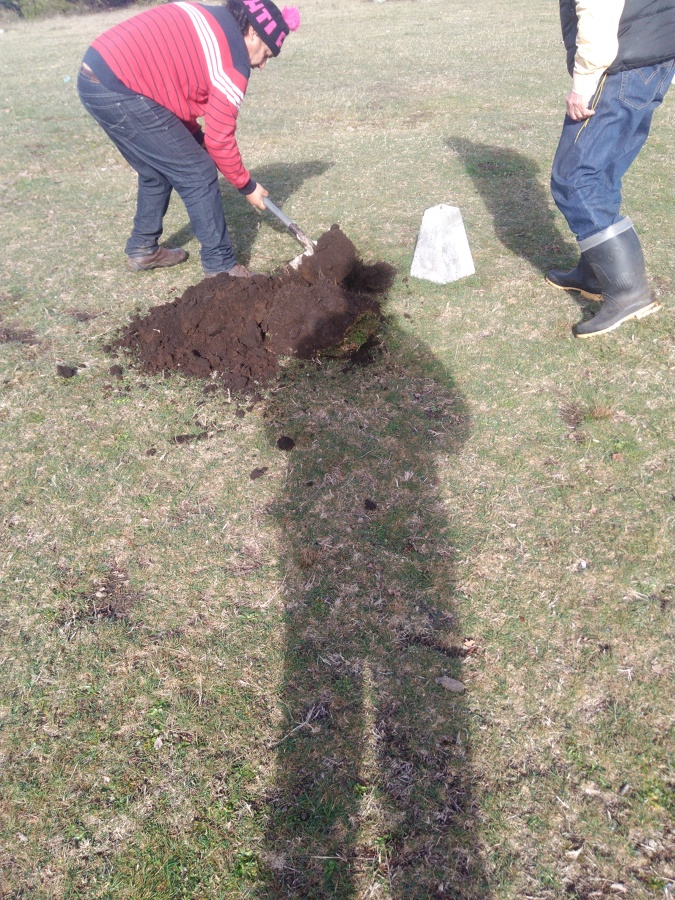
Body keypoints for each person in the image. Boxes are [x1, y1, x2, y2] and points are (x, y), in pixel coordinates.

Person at [78, 0, 300, 277]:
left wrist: (197, 138)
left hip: (96, 74)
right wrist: (247, 185)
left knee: (155, 169)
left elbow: (172, 90)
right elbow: (220, 140)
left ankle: (143, 248)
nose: (263, 64)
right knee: (198, 172)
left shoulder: (212, 17)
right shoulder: (233, 61)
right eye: (267, 53)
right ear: (253, 32)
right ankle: (221, 268)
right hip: (121, 88)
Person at [546, 0, 675, 337]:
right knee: (602, 173)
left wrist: (583, 84)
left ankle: (628, 292)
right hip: (651, 55)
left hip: (620, 63)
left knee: (574, 180)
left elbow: (598, 9)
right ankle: (594, 274)